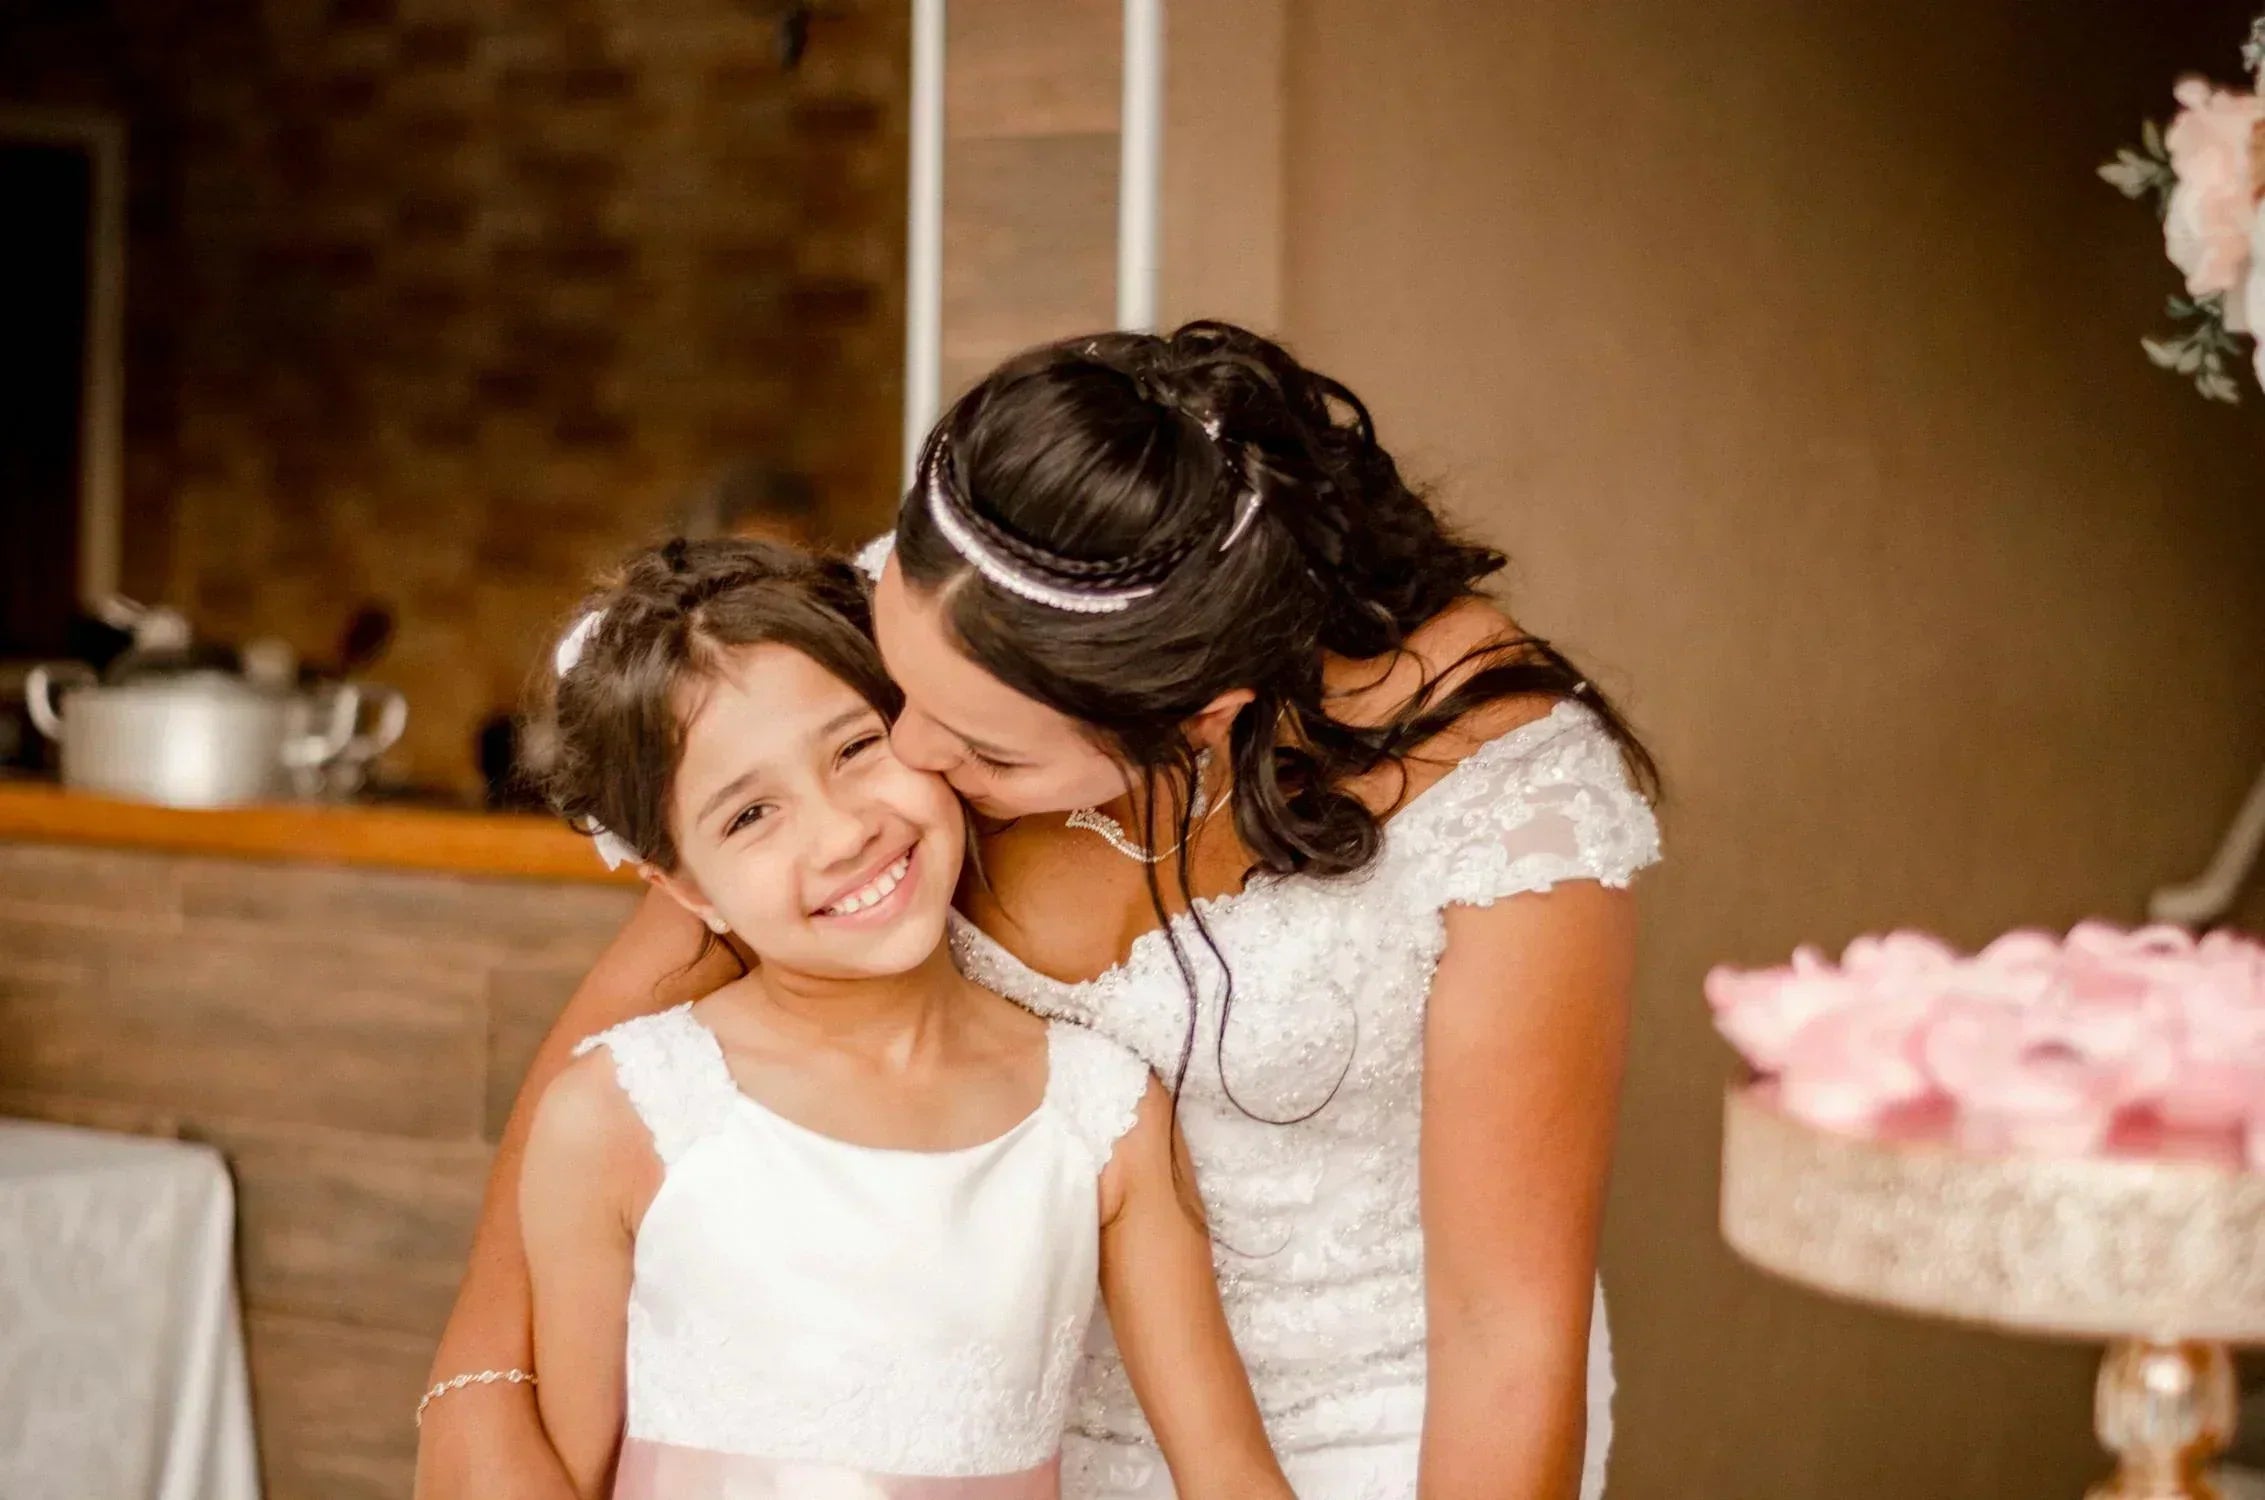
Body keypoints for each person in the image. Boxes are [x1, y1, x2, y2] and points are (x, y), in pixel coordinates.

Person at [417, 322, 1661, 1500]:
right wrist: (474, 1394)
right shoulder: (957, 624)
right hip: (988, 1445)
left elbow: (1508, 1336)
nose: (902, 753)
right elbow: (624, 1056)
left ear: (1195, 721)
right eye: (895, 691)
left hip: (1363, 1438)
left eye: (982, 754)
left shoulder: (1502, 790)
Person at [490, 537, 1292, 1499]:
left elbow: (1227, 1475)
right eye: (750, 816)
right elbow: (565, 1472)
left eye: (856, 748)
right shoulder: (619, 1113)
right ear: (687, 889)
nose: (843, 831)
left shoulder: (1104, 1112)